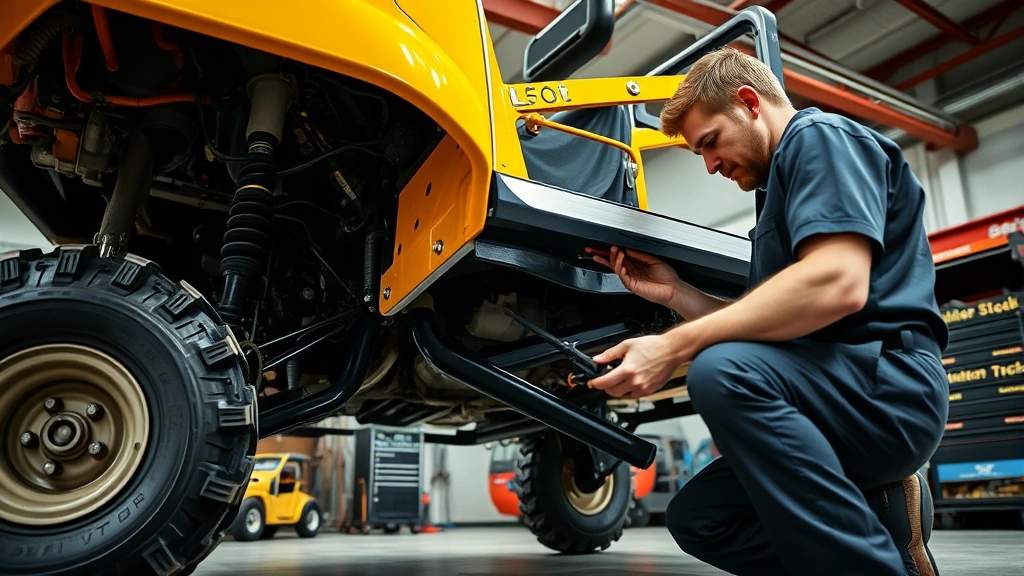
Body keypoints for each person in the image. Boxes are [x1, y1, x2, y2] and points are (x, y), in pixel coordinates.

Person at [586, 46, 949, 576]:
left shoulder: (821, 139)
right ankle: (880, 526)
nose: (710, 165)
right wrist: (676, 293)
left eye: (710, 143)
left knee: (722, 370)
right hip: (829, 387)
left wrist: (672, 346)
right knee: (700, 517)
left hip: (887, 388)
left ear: (750, 102)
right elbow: (766, 327)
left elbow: (837, 284)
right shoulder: (777, 190)